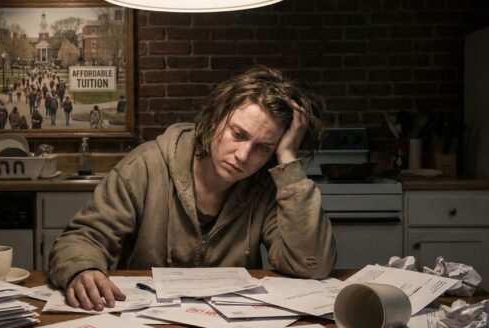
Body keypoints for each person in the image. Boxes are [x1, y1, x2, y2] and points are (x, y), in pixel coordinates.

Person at [48, 65, 335, 311]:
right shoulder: (146, 165)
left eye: (263, 147)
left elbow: (311, 266)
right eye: (238, 134)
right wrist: (83, 268)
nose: (244, 156)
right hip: (145, 324)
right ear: (214, 118)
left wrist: (288, 160)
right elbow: (83, 238)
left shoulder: (267, 184)